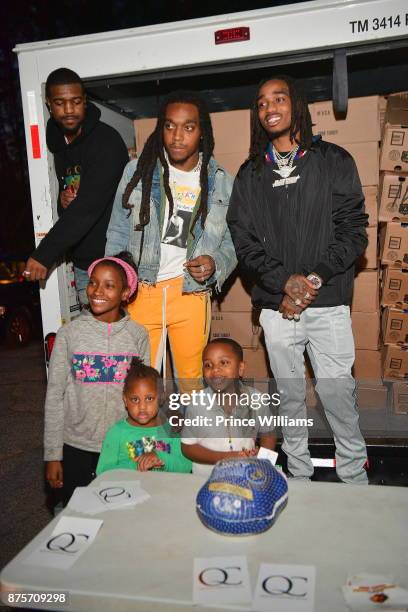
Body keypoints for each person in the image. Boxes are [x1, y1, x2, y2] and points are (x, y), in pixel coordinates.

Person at [227, 75, 369, 484]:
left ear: (298, 105)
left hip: (327, 302)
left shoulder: (334, 160)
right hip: (276, 307)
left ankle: (356, 481)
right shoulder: (251, 174)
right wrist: (282, 282)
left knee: (337, 394)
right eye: (261, 102)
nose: (270, 108)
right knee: (289, 398)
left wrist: (310, 281)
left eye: (279, 98)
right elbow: (244, 240)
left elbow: (353, 231)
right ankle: (300, 480)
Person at [105, 91, 237, 387]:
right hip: (140, 291)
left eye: (188, 127)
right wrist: (116, 286)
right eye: (169, 126)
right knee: (140, 383)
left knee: (191, 385)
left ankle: (189, 435)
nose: (177, 136)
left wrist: (215, 263)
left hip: (190, 293)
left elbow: (231, 242)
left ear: (202, 132)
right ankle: (147, 437)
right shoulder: (138, 171)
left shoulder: (219, 181)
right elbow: (117, 230)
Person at [44, 252, 150, 506]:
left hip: (122, 447)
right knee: (78, 512)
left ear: (126, 293)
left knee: (120, 516)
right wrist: (53, 455)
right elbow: (55, 395)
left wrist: (147, 447)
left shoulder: (138, 335)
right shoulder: (70, 334)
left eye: (109, 285)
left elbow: (147, 398)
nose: (97, 291)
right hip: (75, 446)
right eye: (93, 282)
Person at [23, 68, 129, 304]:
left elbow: (88, 208)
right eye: (60, 103)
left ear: (85, 101)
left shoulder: (106, 142)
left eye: (76, 102)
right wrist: (64, 199)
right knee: (90, 340)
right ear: (49, 104)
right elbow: (76, 194)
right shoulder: (58, 143)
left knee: (118, 338)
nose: (69, 110)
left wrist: (44, 254)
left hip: (115, 262)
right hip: (84, 265)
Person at [181, 338, 276, 476]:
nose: (215, 370)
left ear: (241, 368)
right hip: (206, 479)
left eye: (224, 363)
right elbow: (187, 447)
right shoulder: (197, 403)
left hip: (246, 475)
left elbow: (269, 434)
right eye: (208, 365)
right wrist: (226, 458)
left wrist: (263, 463)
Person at [96, 357, 192, 474]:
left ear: (161, 397)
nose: (142, 407)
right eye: (135, 399)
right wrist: (138, 463)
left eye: (149, 398)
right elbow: (102, 472)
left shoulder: (170, 430)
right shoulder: (117, 432)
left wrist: (159, 458)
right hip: (129, 491)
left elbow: (186, 467)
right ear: (125, 400)